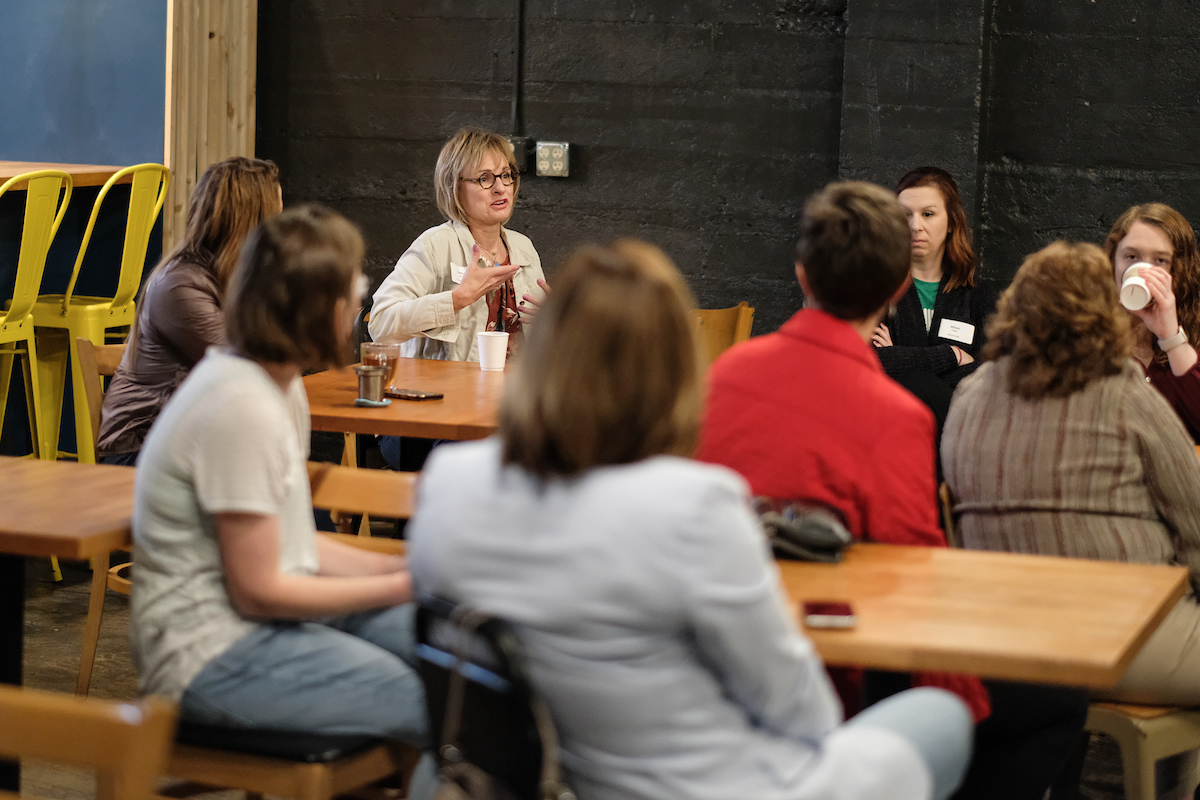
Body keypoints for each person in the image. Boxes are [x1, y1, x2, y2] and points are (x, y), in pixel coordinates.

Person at [407, 239, 974, 800]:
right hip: (707, 784)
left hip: (531, 777)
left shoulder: (450, 483)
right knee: (940, 715)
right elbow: (802, 712)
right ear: (674, 367)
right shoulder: (696, 506)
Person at [697, 181, 1088, 800]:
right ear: (899, 288)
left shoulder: (724, 374)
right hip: (833, 682)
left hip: (717, 665)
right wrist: (961, 699)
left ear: (802, 274)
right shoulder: (893, 416)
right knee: (1059, 694)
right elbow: (914, 581)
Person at [131, 206, 429, 779]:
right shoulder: (241, 406)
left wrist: (410, 567)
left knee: (450, 654)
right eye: (355, 289)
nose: (361, 302)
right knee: (447, 702)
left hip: (258, 628)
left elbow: (295, 546)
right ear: (322, 309)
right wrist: (401, 584)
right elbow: (260, 591)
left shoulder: (280, 386)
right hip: (209, 655)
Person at [944, 240, 1200, 706]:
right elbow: (1194, 520)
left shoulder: (968, 395)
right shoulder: (1125, 391)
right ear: (1104, 315)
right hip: (1125, 637)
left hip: (997, 638)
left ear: (1014, 309)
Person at [368, 126, 549, 470]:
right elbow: (380, 322)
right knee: (485, 458)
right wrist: (456, 299)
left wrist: (554, 321)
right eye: (484, 178)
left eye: (506, 175)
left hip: (505, 411)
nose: (500, 187)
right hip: (427, 417)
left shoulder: (522, 247)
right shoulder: (435, 245)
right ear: (455, 187)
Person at [97, 157, 282, 466]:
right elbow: (249, 365)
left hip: (196, 440)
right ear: (252, 223)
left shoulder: (236, 276)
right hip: (142, 447)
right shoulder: (179, 285)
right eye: (276, 218)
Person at [872, 167, 997, 439]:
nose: (915, 226)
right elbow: (872, 362)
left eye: (928, 214)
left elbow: (991, 373)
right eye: (906, 215)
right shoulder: (877, 289)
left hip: (961, 438)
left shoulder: (976, 296)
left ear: (951, 222)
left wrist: (902, 360)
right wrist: (952, 355)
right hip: (890, 434)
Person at [1104, 203, 1200, 442]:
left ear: (1178, 271)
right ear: (1113, 261)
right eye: (1131, 257)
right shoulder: (1086, 333)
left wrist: (1171, 338)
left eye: (1160, 260)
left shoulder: (1195, 330)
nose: (1142, 271)